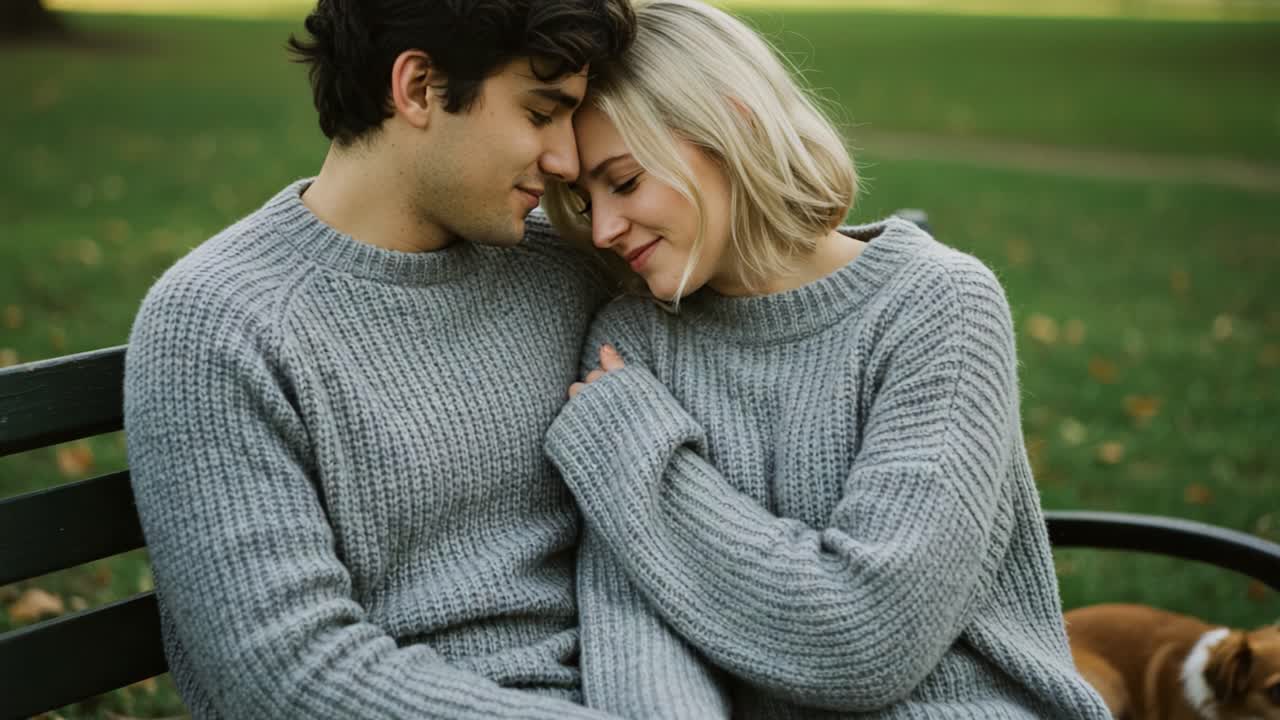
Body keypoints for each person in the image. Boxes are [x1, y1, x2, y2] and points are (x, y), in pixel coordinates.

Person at [543, 1, 1113, 717]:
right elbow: (635, 637)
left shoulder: (937, 306)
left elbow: (872, 638)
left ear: (734, 124)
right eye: (581, 196)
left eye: (623, 182)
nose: (602, 229)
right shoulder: (632, 342)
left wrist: (635, 453)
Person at [123, 1, 646, 717]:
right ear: (418, 88)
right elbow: (288, 672)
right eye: (540, 112)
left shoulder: (561, 268)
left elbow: (762, 283)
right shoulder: (221, 323)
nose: (566, 160)